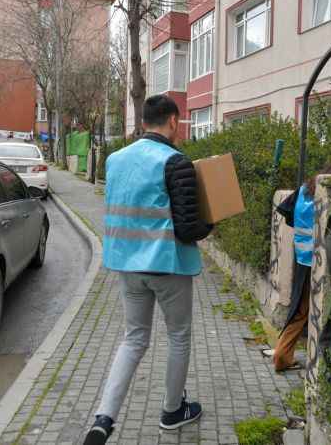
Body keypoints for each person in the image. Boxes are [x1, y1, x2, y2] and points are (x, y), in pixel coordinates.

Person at [85, 95, 212, 445]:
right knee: (178, 336)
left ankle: (103, 420)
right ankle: (172, 412)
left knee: (134, 338)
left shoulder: (115, 160)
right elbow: (188, 230)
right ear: (173, 121)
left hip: (127, 265)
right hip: (167, 265)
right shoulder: (175, 162)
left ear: (143, 122)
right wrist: (211, 221)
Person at [267, 164, 331, 372]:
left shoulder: (302, 191)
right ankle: (282, 357)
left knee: (298, 307)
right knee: (301, 311)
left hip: (301, 259)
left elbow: (285, 211)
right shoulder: (324, 196)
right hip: (316, 262)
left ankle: (284, 355)